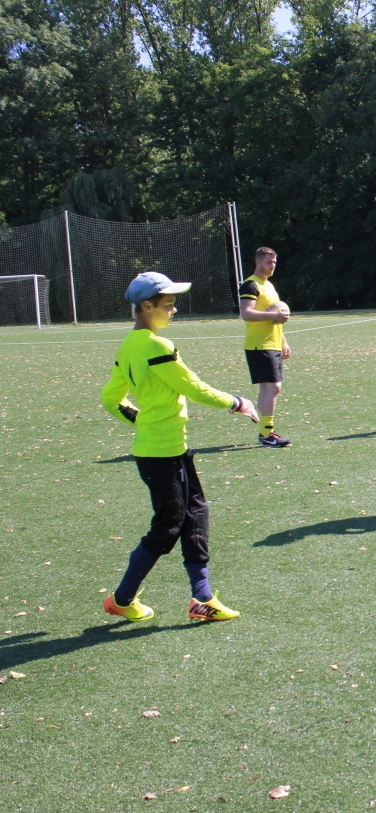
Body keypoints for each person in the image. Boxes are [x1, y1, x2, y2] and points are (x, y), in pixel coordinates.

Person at [100, 272, 259, 622]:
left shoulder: (129, 345)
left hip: (167, 450)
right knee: (169, 525)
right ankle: (122, 599)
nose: (174, 310)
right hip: (161, 454)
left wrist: (140, 421)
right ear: (146, 306)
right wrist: (235, 402)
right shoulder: (157, 346)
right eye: (168, 304)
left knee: (195, 514)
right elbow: (192, 386)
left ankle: (201, 598)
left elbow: (111, 398)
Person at [238, 246, 291, 447]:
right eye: (269, 262)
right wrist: (274, 316)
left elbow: (276, 320)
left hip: (272, 343)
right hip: (259, 345)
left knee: (269, 389)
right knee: (273, 387)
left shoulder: (269, 286)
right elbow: (246, 313)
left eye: (274, 262)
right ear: (258, 262)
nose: (272, 266)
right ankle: (267, 435)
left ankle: (265, 433)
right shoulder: (250, 285)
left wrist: (283, 341)